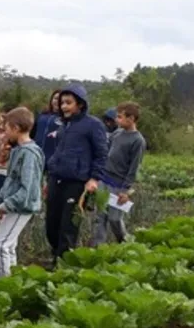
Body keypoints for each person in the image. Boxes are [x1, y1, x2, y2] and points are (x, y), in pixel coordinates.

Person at [45, 83, 108, 265]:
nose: (64, 106)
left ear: (80, 104)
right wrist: (50, 174)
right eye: (62, 103)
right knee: (51, 224)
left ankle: (62, 264)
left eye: (68, 102)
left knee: (68, 226)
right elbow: (58, 151)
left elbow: (101, 154)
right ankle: (56, 255)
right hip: (56, 178)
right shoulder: (64, 126)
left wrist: (94, 178)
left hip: (77, 183)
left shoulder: (93, 125)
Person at [0, 107, 44, 278]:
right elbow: (10, 182)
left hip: (22, 206)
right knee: (8, 245)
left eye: (6, 129)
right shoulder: (18, 151)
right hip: (14, 204)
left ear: (16, 128)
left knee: (0, 245)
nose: (4, 133)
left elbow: (27, 188)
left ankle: (5, 286)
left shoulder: (29, 154)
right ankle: (13, 282)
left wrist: (6, 205)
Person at [93, 102, 146, 245]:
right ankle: (97, 248)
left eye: (120, 117)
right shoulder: (116, 134)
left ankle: (125, 243)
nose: (117, 120)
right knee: (100, 217)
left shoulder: (138, 141)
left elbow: (134, 168)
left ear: (132, 118)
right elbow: (106, 153)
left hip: (118, 184)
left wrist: (125, 190)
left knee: (114, 219)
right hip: (104, 180)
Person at [31, 90, 62, 166]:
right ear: (51, 99)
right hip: (35, 156)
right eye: (56, 98)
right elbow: (31, 134)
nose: (57, 101)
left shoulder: (66, 119)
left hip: (53, 160)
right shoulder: (41, 115)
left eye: (61, 100)